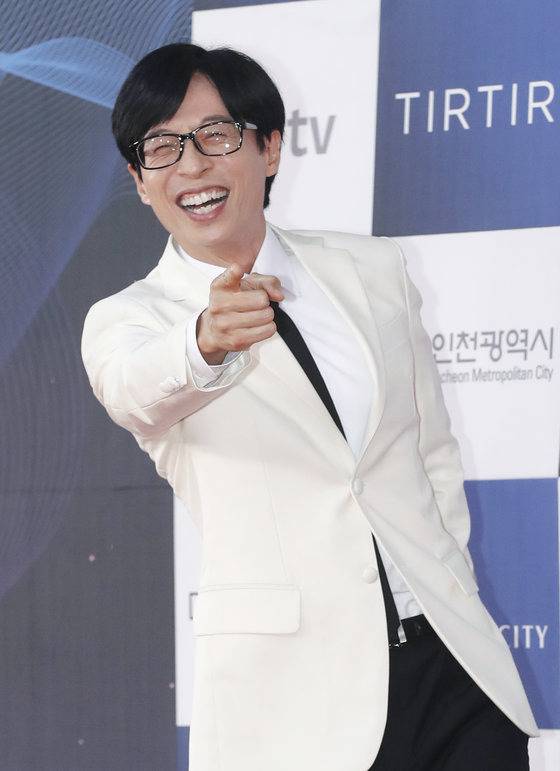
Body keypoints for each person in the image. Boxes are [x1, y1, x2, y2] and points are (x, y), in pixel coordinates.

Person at [81, 42, 538, 771]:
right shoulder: (131, 320)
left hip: (455, 669)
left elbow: (429, 450)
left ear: (268, 148)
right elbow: (135, 390)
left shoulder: (372, 268)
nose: (191, 165)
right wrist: (204, 342)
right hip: (296, 705)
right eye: (161, 148)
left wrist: (450, 583)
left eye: (215, 135)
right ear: (139, 181)